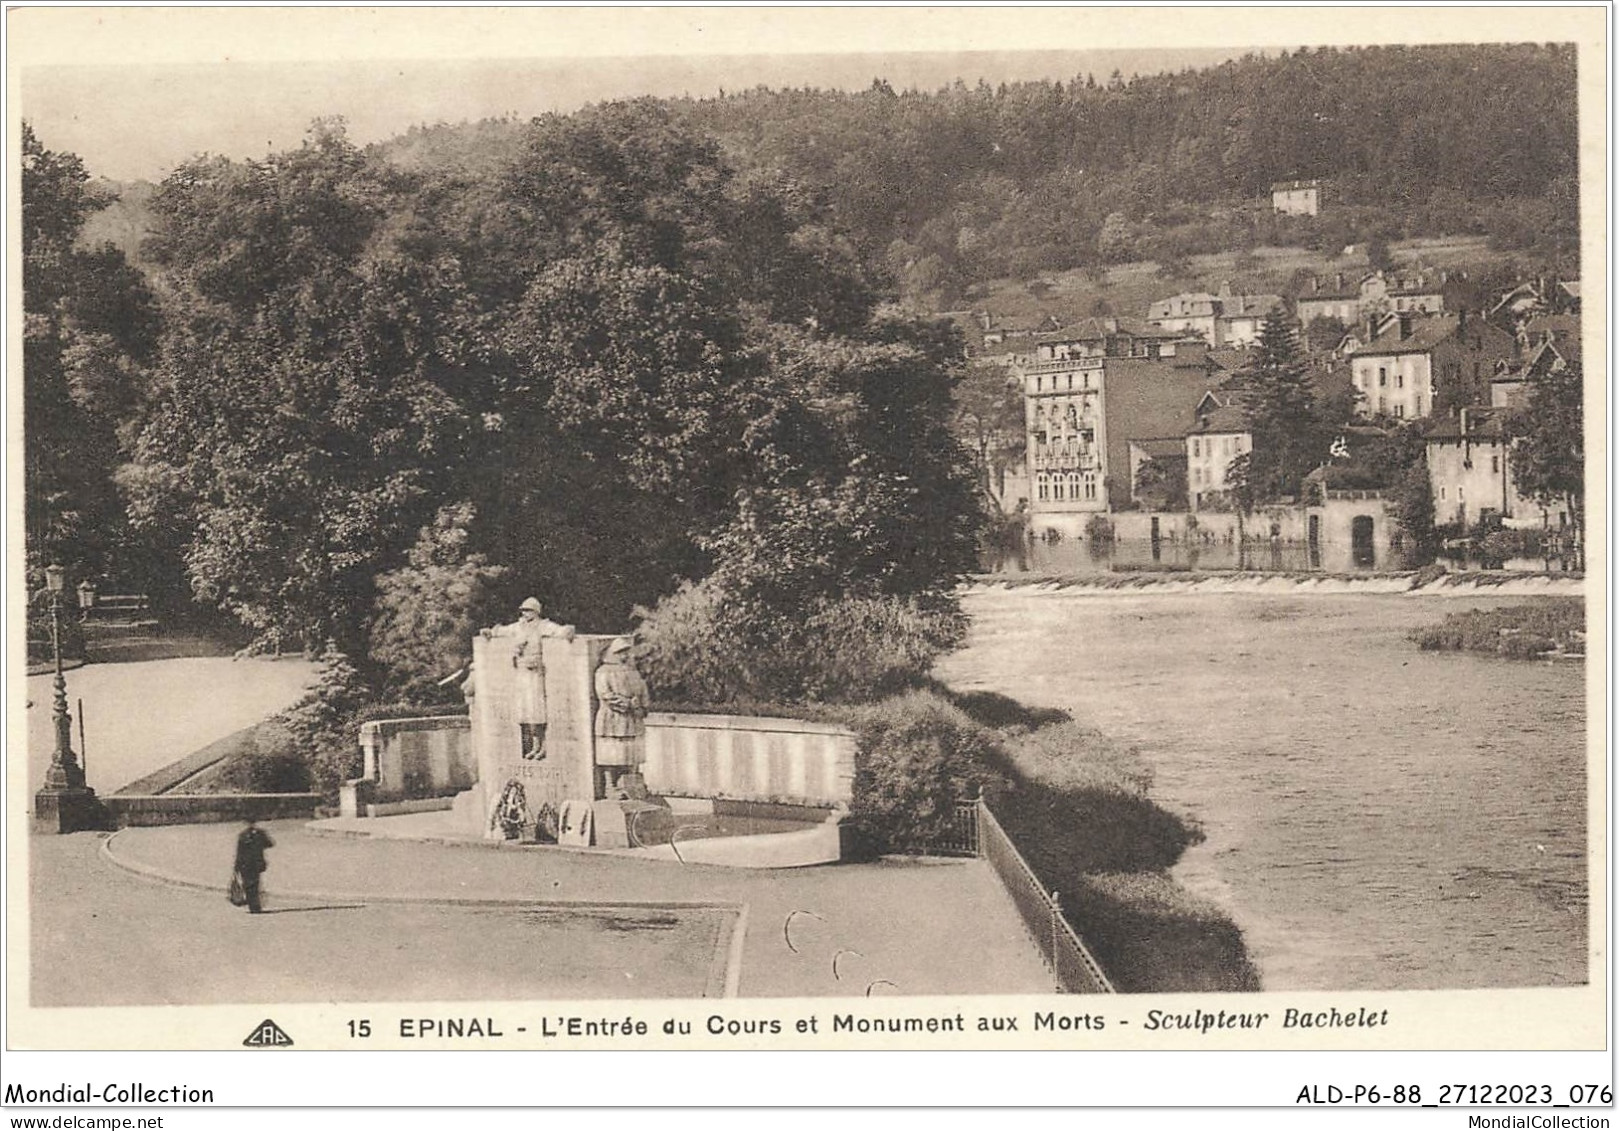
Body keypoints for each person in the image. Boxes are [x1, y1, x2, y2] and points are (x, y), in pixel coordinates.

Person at [485, 597, 575, 758]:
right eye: (523, 610)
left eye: (528, 610)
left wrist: (566, 631)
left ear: (536, 611)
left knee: (537, 710)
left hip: (535, 672)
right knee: (525, 710)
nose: (525, 613)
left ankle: (542, 746)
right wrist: (490, 632)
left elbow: (558, 631)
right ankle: (533, 746)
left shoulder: (542, 626)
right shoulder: (518, 627)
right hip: (521, 672)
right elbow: (502, 631)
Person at [593, 636, 650, 798]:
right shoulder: (603, 672)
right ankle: (610, 787)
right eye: (619, 653)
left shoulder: (633, 671)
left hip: (632, 717)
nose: (624, 656)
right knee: (611, 753)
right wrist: (627, 703)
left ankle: (630, 785)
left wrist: (642, 705)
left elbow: (643, 689)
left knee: (631, 753)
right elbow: (605, 694)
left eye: (625, 652)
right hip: (612, 717)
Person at [233, 820, 275, 914]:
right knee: (254, 883)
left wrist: (236, 866)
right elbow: (270, 844)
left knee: (248, 884)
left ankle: (253, 905)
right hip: (256, 863)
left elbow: (239, 852)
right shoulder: (260, 834)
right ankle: (255, 906)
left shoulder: (243, 835)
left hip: (245, 863)